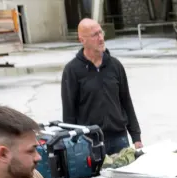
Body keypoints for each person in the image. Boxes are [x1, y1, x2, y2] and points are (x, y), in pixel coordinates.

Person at [61, 18, 142, 155]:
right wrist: (72, 145)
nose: (100, 38)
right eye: (94, 35)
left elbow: (126, 102)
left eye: (101, 32)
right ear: (82, 40)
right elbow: (69, 113)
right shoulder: (72, 70)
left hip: (119, 139)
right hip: (89, 142)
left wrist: (136, 137)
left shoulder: (115, 66)